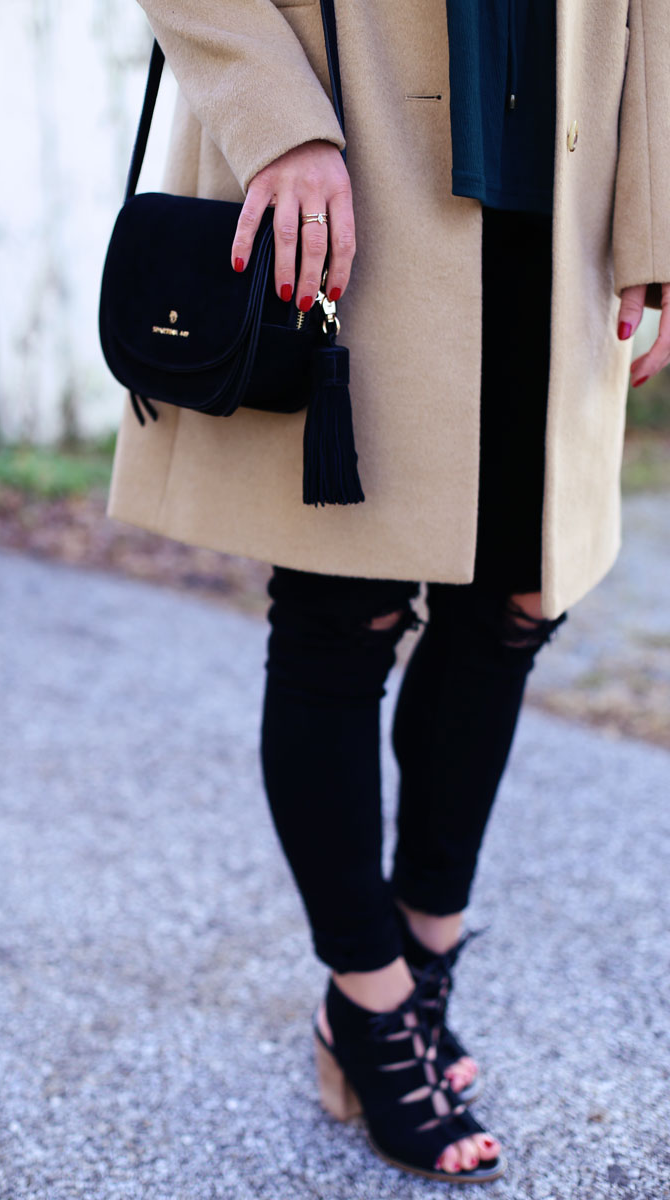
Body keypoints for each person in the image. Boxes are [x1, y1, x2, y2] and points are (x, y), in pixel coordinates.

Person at [106, 0, 670, 1184]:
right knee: (343, 616)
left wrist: (655, 220)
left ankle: (420, 962)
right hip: (350, 156)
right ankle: (369, 1003)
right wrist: (277, 124)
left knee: (513, 605)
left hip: (562, 180)